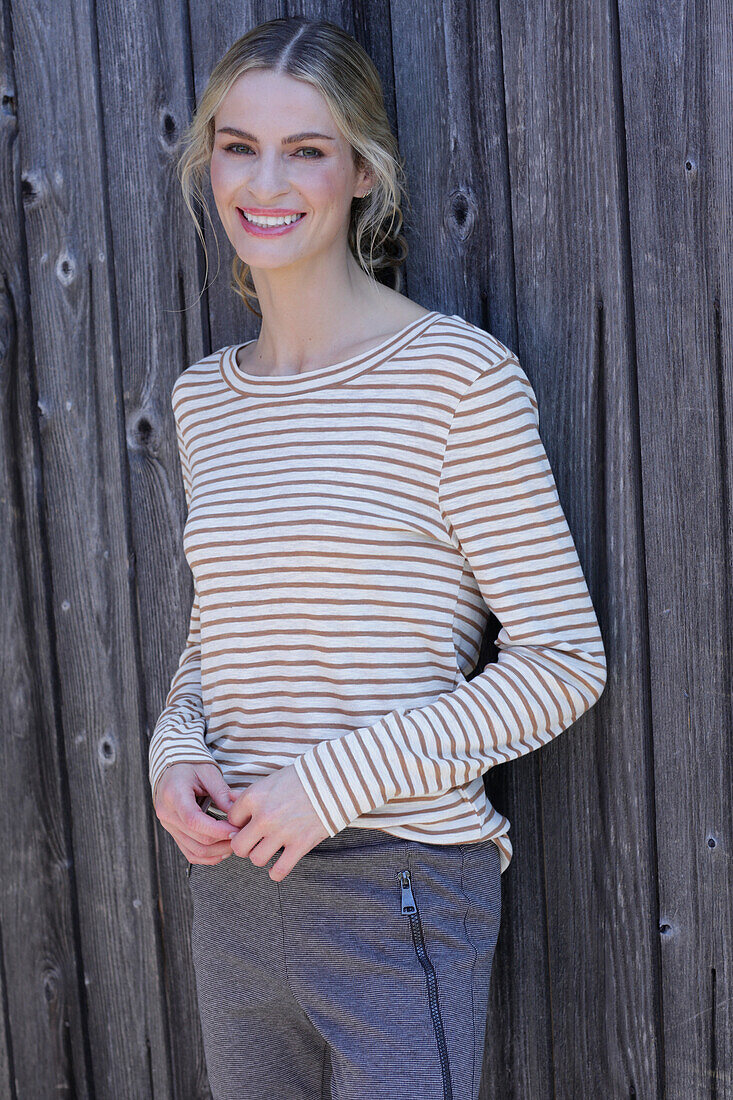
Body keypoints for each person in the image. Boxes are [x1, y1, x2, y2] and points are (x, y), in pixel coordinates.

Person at [148, 16, 607, 1100]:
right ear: (206, 158)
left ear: (361, 172)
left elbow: (561, 661)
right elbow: (223, 631)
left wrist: (332, 781)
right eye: (237, 143)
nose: (265, 181)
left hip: (397, 888)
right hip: (235, 895)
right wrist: (175, 744)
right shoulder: (205, 400)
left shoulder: (455, 381)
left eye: (306, 149)